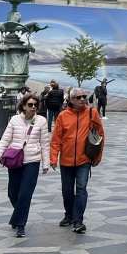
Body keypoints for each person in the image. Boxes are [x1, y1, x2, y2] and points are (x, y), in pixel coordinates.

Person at [0, 93, 51, 238]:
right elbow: (5, 141)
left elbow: (44, 143)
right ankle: (19, 214)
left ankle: (20, 224)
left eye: (35, 105)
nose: (33, 107)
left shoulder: (41, 121)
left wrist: (46, 163)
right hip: (15, 160)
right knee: (13, 193)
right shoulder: (14, 120)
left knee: (25, 194)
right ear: (23, 106)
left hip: (32, 161)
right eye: (30, 105)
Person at [50, 88, 104, 234]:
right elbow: (56, 139)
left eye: (84, 97)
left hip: (84, 159)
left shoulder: (92, 113)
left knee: (81, 188)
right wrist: (54, 157)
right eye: (79, 97)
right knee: (67, 191)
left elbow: (100, 135)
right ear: (71, 99)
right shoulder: (63, 116)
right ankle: (69, 215)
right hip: (66, 160)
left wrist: (98, 156)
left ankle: (78, 220)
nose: (82, 99)